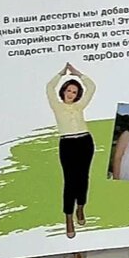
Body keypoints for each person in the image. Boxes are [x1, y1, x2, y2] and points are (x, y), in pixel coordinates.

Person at [46, 63, 95, 239]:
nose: (71, 94)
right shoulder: (56, 105)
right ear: (64, 91)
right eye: (69, 90)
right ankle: (68, 217)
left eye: (74, 92)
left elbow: (91, 87)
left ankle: (80, 207)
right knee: (70, 182)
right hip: (67, 144)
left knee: (83, 178)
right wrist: (61, 73)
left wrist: (77, 73)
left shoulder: (80, 106)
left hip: (85, 142)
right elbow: (49, 87)